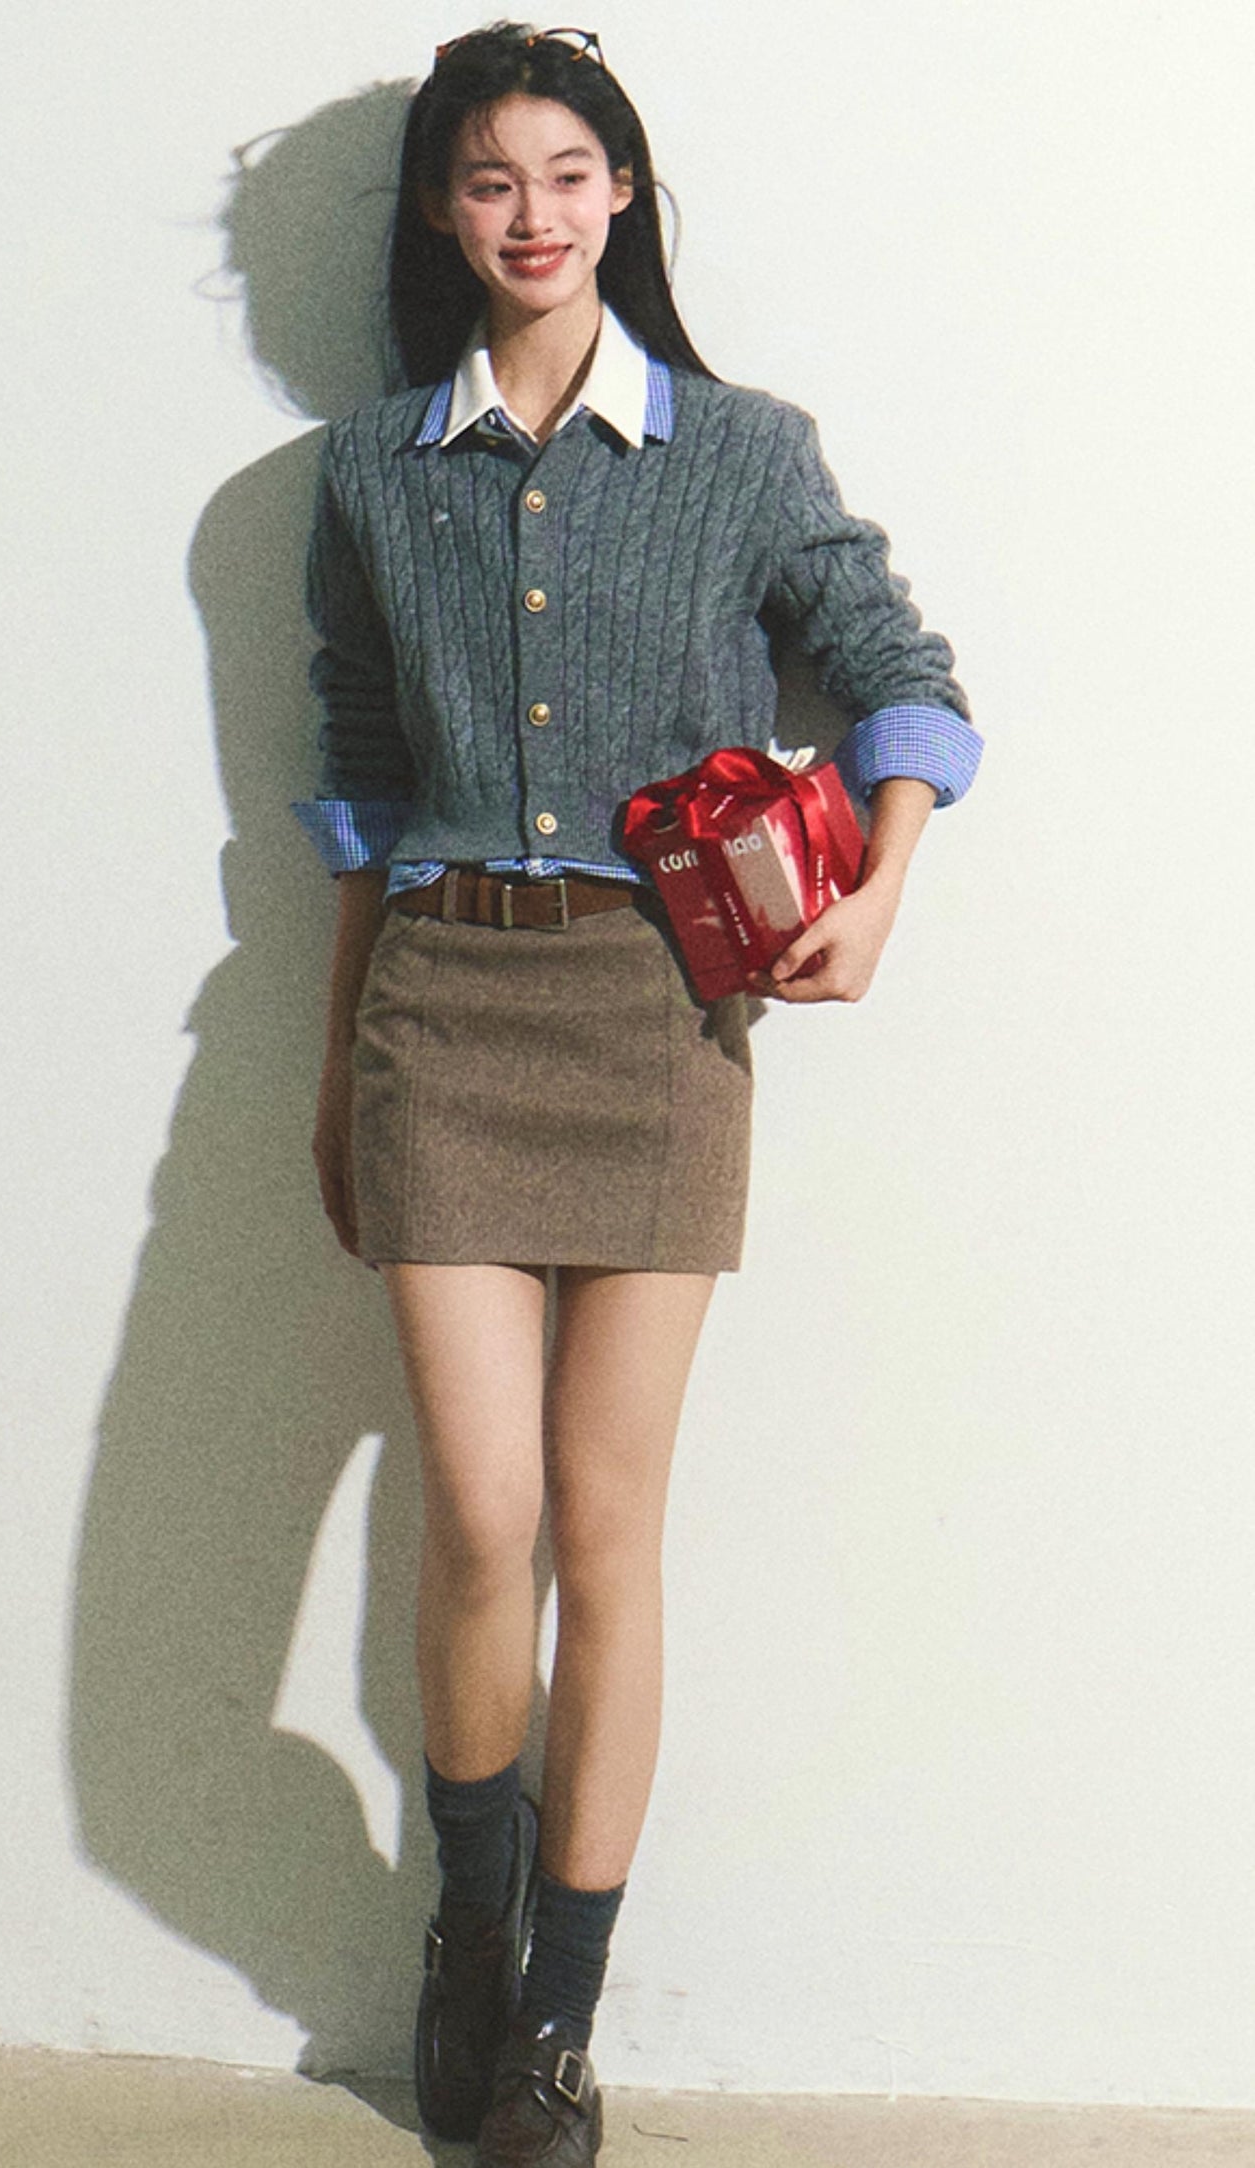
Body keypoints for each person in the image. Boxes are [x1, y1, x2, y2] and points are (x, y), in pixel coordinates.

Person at [293, 24, 981, 2164]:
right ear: (441, 210)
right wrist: (334, 1059)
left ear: (624, 195)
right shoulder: (368, 471)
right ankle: (465, 1936)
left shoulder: (746, 452)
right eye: (490, 178)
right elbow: (359, 772)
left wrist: (878, 887)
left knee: (604, 1527)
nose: (534, 214)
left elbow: (905, 677)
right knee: (482, 1512)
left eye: (570, 172)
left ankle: (559, 2024)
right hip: (436, 1006)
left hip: (659, 1020)